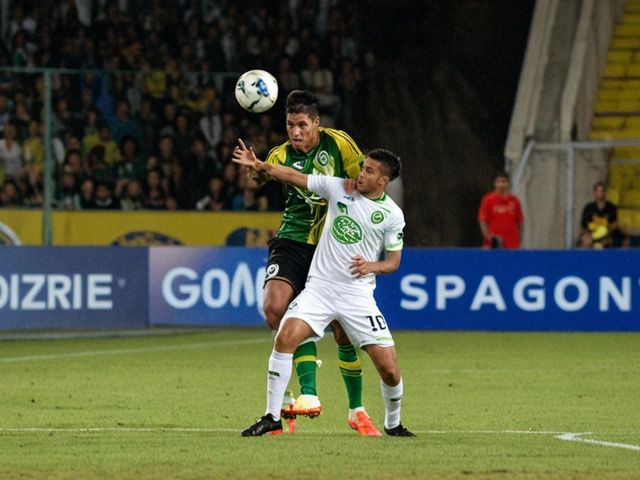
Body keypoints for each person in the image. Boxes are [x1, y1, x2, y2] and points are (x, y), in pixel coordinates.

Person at [234, 145, 414, 438]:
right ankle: (271, 416)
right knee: (285, 337)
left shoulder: (392, 215)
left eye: (368, 170)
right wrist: (260, 164)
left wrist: (372, 266)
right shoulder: (337, 189)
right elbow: (293, 175)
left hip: (357, 296)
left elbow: (393, 262)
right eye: (362, 166)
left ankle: (393, 424)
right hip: (319, 288)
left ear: (383, 181)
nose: (360, 173)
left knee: (390, 370)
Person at [237, 90, 377, 435]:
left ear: (316, 123)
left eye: (302, 125)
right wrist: (254, 170)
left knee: (344, 330)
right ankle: (289, 400)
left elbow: (367, 185)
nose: (295, 132)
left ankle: (357, 410)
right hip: (293, 240)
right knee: (274, 310)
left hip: (334, 246)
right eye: (289, 125)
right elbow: (257, 180)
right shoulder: (279, 154)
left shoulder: (339, 143)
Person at [478, 171, 524, 249]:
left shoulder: (514, 200)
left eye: (503, 181)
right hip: (494, 241)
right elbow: (483, 220)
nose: (501, 184)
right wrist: (488, 238)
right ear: (495, 183)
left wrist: (520, 238)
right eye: (498, 181)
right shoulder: (488, 199)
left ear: (508, 183)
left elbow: (520, 221)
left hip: (512, 242)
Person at [579, 182, 627, 248]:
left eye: (602, 191)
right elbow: (584, 225)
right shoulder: (589, 208)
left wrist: (606, 229)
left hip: (607, 235)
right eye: (598, 191)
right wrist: (587, 235)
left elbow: (615, 223)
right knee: (585, 240)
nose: (600, 193)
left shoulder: (611, 207)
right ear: (594, 193)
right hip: (592, 235)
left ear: (605, 192)